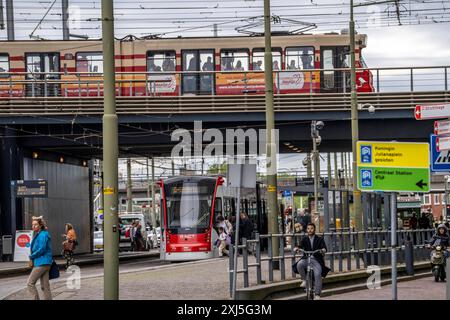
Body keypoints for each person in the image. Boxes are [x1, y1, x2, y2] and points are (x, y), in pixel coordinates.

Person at [295, 223, 329, 299]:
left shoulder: (319, 239)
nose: (310, 230)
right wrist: (297, 248)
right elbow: (300, 246)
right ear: (307, 230)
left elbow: (324, 248)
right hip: (306, 258)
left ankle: (317, 294)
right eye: (308, 229)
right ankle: (304, 279)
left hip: (316, 260)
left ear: (314, 229)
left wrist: (322, 250)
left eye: (311, 229)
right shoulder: (304, 239)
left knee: (318, 274)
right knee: (299, 264)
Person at [28, 216, 52, 300]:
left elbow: (41, 249)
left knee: (30, 283)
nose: (33, 226)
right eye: (32, 224)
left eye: (35, 224)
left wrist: (32, 256)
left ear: (40, 225)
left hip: (41, 262)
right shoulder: (41, 234)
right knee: (45, 286)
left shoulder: (42, 234)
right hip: (45, 262)